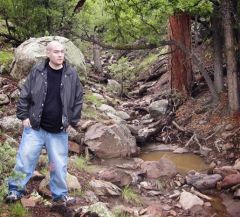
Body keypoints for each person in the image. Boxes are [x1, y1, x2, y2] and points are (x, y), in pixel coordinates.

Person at [5, 41, 84, 205]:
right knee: (24, 160)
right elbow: (25, 94)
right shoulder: (38, 71)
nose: (60, 55)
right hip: (35, 127)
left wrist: (72, 121)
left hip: (58, 130)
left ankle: (60, 196)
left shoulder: (71, 74)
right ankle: (14, 191)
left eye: (62, 52)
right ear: (48, 53)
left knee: (59, 165)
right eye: (56, 52)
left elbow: (78, 99)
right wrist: (23, 116)